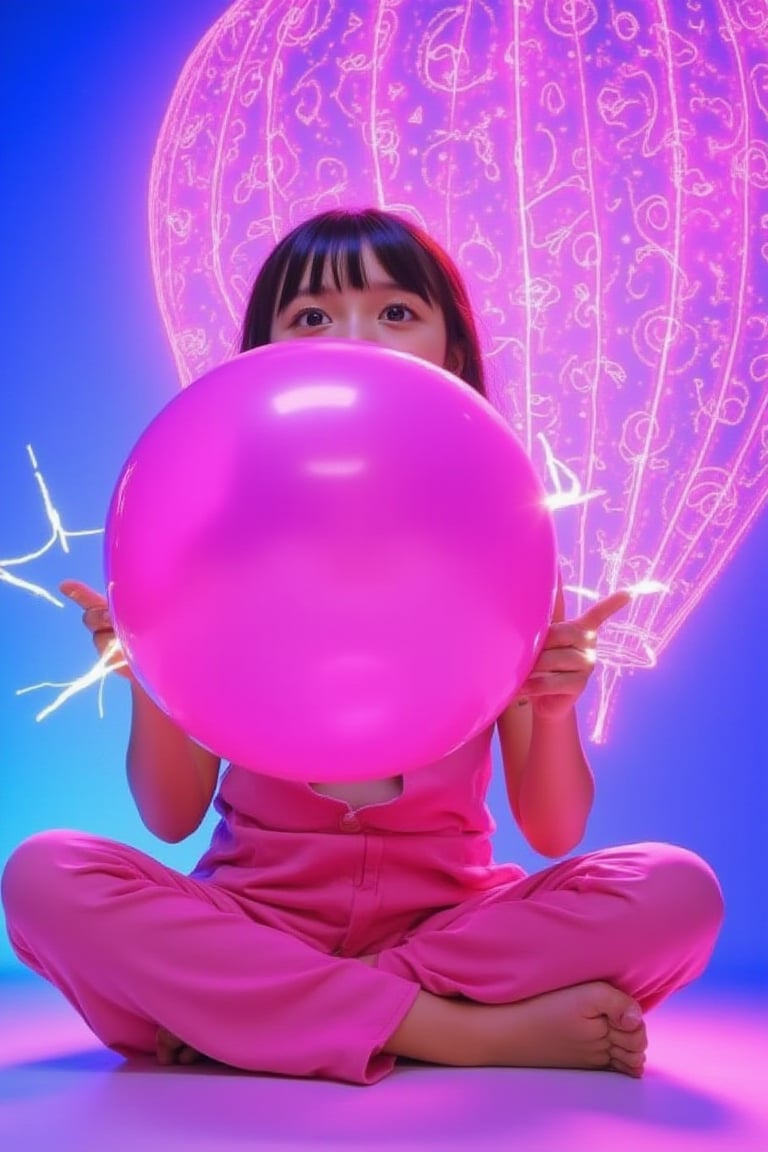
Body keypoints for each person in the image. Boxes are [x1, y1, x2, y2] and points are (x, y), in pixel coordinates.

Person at [1, 208, 723, 1085]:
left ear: (452, 352)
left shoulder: (510, 550)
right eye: (311, 317)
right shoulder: (202, 557)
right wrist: (148, 665)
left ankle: (253, 1015)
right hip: (253, 918)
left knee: (678, 892)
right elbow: (170, 817)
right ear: (260, 358)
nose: (354, 339)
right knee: (42, 877)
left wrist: (555, 707)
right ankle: (460, 1034)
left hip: (455, 929)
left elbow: (554, 826)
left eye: (394, 312)